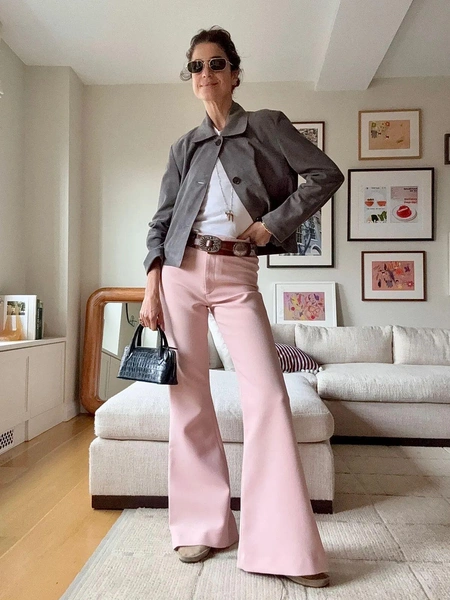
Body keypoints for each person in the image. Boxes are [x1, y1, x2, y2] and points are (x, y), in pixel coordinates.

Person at [140, 26, 344, 589]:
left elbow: (325, 175)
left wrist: (271, 224)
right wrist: (152, 285)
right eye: (196, 66)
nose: (205, 74)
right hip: (180, 272)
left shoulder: (268, 125)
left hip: (237, 273)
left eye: (216, 64)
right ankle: (201, 526)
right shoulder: (184, 146)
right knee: (188, 399)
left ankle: (282, 544)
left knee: (269, 397)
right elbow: (161, 222)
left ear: (234, 73)